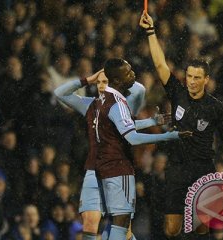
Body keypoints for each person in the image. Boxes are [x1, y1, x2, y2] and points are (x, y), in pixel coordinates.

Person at [139, 12, 223, 238]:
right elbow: (159, 64)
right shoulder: (177, 93)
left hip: (203, 167)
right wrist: (151, 32)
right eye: (189, 76)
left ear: (206, 80)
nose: (191, 81)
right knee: (172, 229)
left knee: (203, 228)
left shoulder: (215, 107)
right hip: (176, 167)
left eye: (196, 78)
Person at [54, 70, 173, 240]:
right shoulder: (90, 104)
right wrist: (87, 80)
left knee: (121, 230)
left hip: (118, 170)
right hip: (94, 169)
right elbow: (60, 93)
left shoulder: (120, 106)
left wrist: (152, 122)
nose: (102, 87)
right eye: (99, 83)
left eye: (107, 82)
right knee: (89, 221)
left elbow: (136, 102)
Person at [95, 58, 192, 240]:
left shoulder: (115, 99)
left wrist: (153, 121)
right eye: (128, 72)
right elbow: (132, 137)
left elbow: (128, 125)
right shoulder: (113, 102)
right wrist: (168, 136)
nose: (133, 74)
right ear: (117, 80)